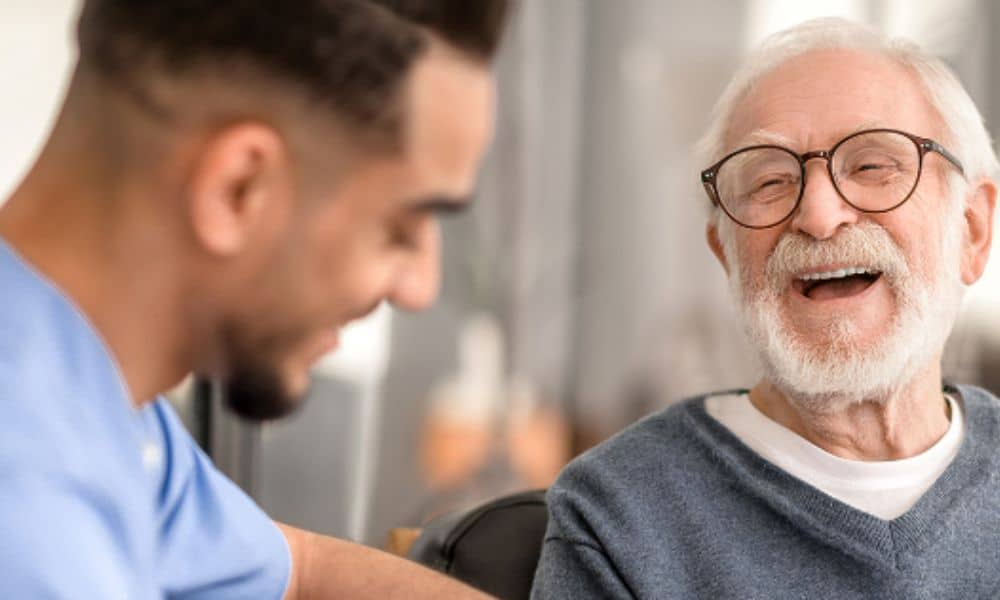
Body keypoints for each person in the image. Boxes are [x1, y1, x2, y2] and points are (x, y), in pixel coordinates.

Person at [0, 0, 508, 597]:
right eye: (401, 227)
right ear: (238, 189)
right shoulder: (33, 521)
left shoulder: (98, 410)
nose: (419, 288)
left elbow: (300, 572)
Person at [532, 17, 1000, 599]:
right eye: (771, 181)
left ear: (973, 230)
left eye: (873, 166)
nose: (820, 216)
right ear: (727, 257)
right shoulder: (618, 515)